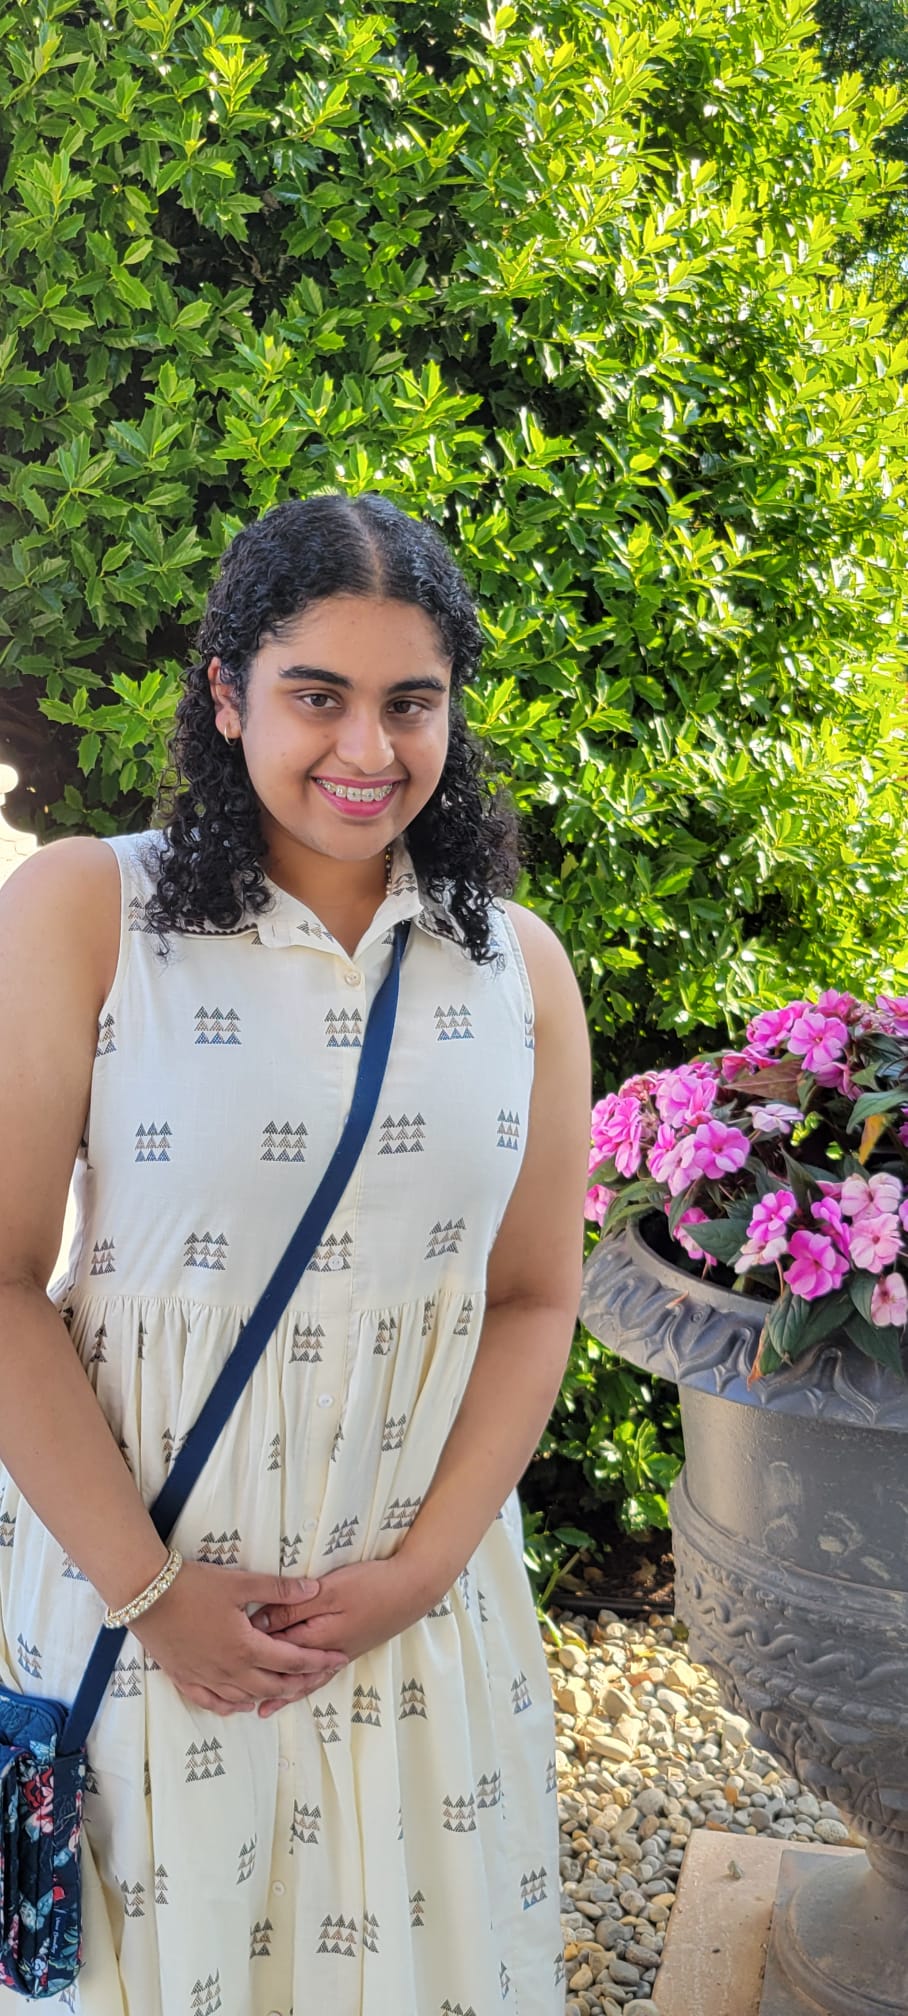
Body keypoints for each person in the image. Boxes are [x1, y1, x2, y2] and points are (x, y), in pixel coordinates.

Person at [0, 492, 591, 2015]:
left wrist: (423, 1571)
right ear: (225, 692)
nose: (367, 751)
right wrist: (152, 1595)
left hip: (409, 1621)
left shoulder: (517, 968)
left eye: (412, 703)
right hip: (131, 1594)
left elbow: (533, 1299)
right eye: (314, 696)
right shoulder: (88, 908)